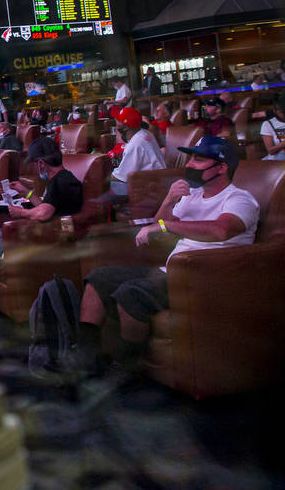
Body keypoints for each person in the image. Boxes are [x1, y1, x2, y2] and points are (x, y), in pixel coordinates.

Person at [80, 136, 258, 372]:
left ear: (222, 167)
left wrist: (168, 226)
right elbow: (158, 229)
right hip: (170, 271)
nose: (190, 164)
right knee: (98, 278)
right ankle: (86, 359)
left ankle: (125, 371)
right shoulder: (193, 195)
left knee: (131, 293)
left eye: (199, 159)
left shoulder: (239, 199)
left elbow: (220, 229)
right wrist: (169, 200)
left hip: (203, 278)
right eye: (191, 158)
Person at [0, 138, 83, 293]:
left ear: (40, 163)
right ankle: (2, 257)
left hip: (40, 239)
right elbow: (47, 208)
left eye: (33, 164)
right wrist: (27, 192)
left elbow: (44, 214)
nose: (34, 169)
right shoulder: (63, 179)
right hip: (40, 234)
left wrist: (22, 212)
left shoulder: (61, 182)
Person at [107, 108, 166, 200]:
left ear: (126, 127)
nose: (115, 121)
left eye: (119, 120)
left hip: (148, 188)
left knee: (103, 188)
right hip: (156, 181)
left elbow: (120, 177)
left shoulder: (136, 144)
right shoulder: (145, 133)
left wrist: (103, 176)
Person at [259, 93, 285, 160]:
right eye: (282, 112)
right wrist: (282, 144)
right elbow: (270, 151)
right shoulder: (268, 124)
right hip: (277, 160)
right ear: (274, 111)